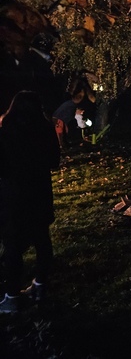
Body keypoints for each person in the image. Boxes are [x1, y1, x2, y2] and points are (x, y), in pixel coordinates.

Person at [0, 91, 61, 313]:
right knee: (42, 238)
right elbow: (54, 161)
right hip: (39, 191)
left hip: (14, 195)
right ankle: (40, 285)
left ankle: (12, 297)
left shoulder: (6, 131)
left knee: (13, 245)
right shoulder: (45, 130)